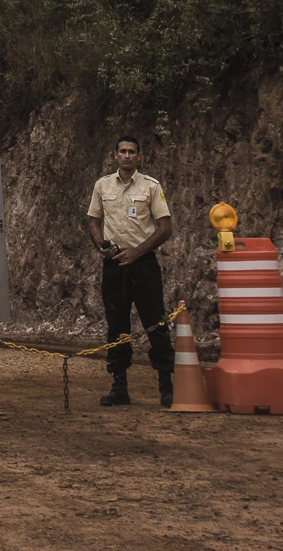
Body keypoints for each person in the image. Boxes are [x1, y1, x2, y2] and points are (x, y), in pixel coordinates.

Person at [85, 135, 174, 407]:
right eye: (122, 151)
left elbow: (165, 228)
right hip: (114, 266)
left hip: (143, 264)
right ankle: (119, 386)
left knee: (156, 323)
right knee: (117, 326)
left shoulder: (151, 187)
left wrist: (138, 251)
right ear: (115, 155)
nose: (126, 155)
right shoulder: (102, 185)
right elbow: (93, 219)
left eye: (131, 151)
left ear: (139, 156)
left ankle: (166, 387)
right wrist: (101, 245)